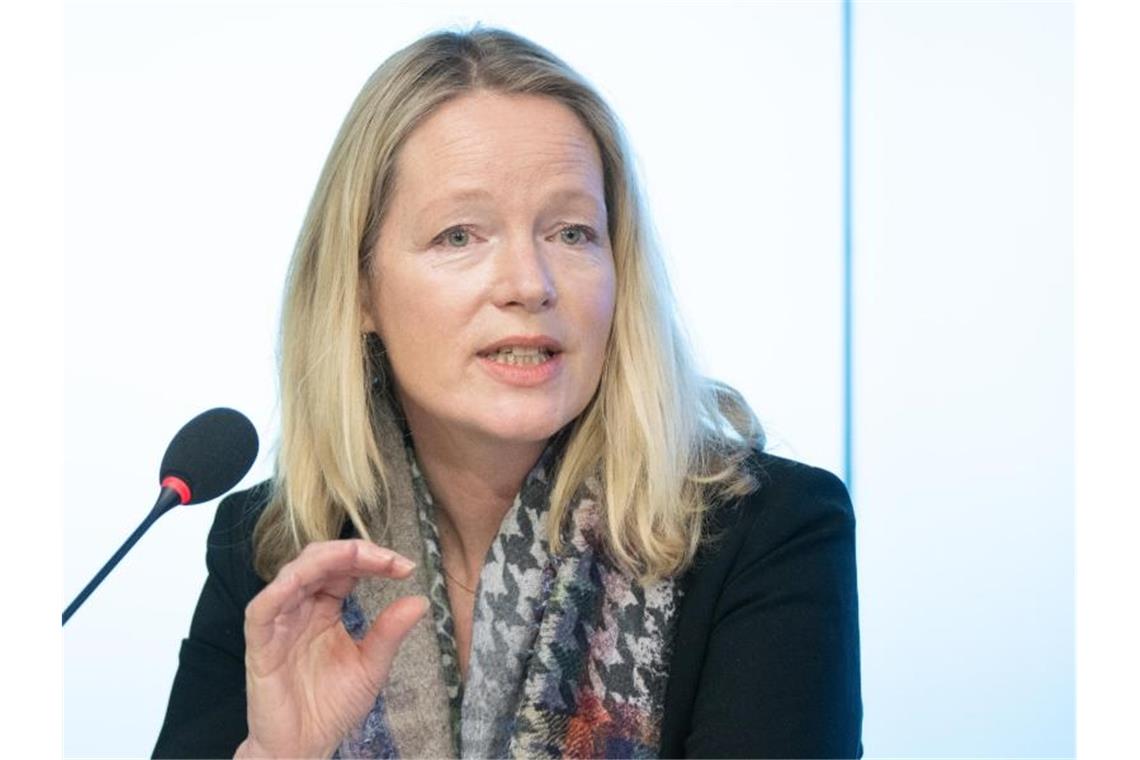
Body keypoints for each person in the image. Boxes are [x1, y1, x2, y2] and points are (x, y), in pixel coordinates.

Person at [153, 25, 862, 759]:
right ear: (359, 289)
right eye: (461, 236)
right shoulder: (270, 551)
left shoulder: (768, 531)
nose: (530, 283)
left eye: (573, 233)